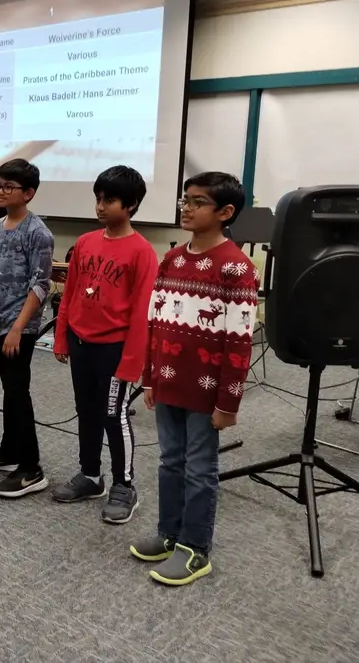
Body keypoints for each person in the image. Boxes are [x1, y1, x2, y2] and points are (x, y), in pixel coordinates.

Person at [130, 171, 257, 586]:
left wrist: (228, 402)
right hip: (168, 382)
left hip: (206, 393)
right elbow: (156, 321)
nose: (186, 206)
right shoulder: (171, 259)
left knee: (200, 468)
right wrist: (149, 378)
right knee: (170, 461)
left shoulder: (236, 268)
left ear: (225, 212)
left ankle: (195, 548)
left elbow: (239, 343)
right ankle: (170, 534)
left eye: (198, 201)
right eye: (185, 198)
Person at [50, 166, 158, 523]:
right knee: (87, 411)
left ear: (131, 205)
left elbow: (143, 313)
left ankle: (124, 485)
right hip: (82, 343)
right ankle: (91, 475)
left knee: (114, 416)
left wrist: (132, 363)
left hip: (116, 350)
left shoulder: (142, 252)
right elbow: (71, 294)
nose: (100, 206)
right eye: (98, 198)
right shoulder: (84, 243)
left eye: (108, 200)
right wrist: (62, 336)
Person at [0, 159, 54, 497]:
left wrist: (19, 327)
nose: (0, 191)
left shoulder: (37, 233)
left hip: (22, 326)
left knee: (18, 391)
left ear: (28, 193)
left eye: (8, 186)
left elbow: (41, 285)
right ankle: (9, 451)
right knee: (9, 390)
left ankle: (32, 467)